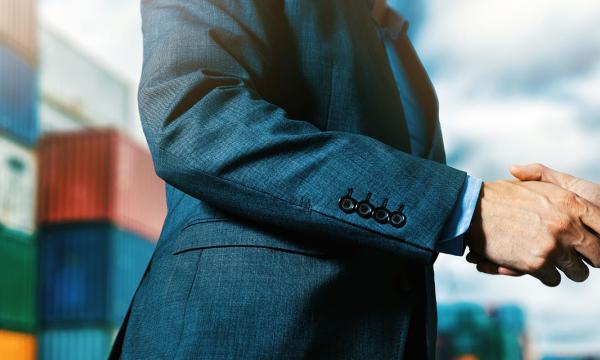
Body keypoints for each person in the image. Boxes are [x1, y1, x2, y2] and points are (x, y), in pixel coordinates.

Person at [109, 0, 600, 358]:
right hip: (244, 339)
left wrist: (523, 214)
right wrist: (472, 208)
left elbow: (393, 195)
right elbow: (192, 117)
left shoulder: (394, 38)